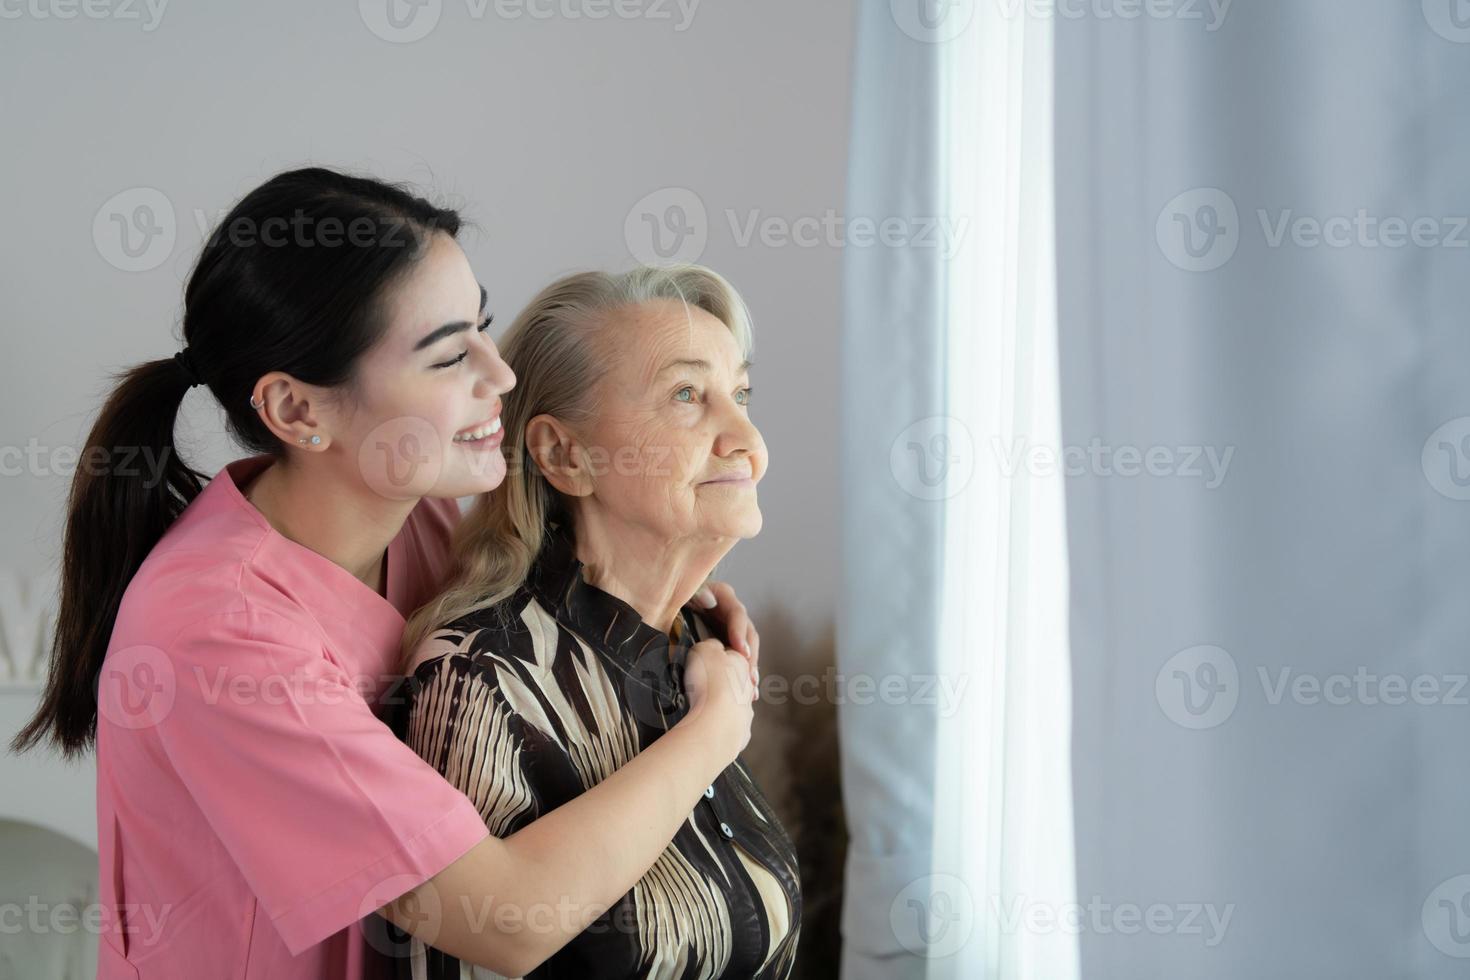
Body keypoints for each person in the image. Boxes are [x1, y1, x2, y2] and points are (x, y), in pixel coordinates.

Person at [9, 167, 761, 979]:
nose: (499, 375)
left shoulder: (425, 514)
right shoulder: (220, 632)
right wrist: (717, 726)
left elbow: (582, 599)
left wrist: (684, 602)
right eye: (447, 358)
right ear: (297, 411)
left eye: (484, 328)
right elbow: (502, 918)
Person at [395, 266, 800, 978]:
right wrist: (718, 724)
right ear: (564, 455)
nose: (745, 437)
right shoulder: (484, 679)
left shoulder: (699, 649)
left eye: (739, 394)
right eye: (686, 396)